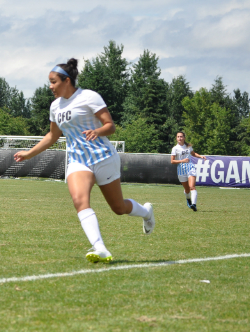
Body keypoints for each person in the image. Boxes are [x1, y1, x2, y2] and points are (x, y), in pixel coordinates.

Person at [14, 58, 155, 263]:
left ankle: (146, 212)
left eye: (54, 82)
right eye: (50, 82)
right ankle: (100, 248)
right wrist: (29, 153)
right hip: (78, 161)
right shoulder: (55, 107)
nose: (51, 86)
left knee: (118, 208)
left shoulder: (89, 97)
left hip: (103, 157)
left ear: (67, 81)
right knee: (80, 201)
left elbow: (110, 126)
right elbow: (52, 136)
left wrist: (97, 131)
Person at [171, 131, 207, 211]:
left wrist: (201, 156)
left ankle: (194, 204)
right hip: (181, 170)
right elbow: (172, 161)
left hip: (190, 168)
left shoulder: (188, 146)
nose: (179, 138)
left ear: (184, 138)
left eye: (181, 136)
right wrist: (182, 161)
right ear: (176, 138)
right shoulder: (175, 149)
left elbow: (193, 154)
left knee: (192, 187)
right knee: (187, 189)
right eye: (178, 137)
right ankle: (188, 200)